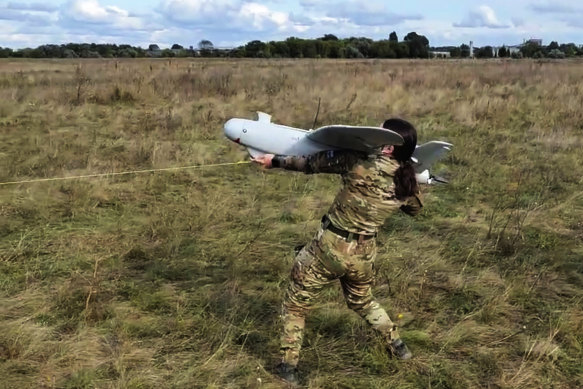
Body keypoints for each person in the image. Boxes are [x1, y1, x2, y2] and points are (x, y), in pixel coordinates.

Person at [252, 118, 423, 385]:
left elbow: (309, 164)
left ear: (389, 147)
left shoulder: (357, 161)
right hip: (364, 255)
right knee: (363, 302)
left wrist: (273, 161)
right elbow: (415, 208)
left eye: (380, 133)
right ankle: (398, 345)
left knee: (296, 305)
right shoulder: (407, 181)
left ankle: (288, 368)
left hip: (328, 250)